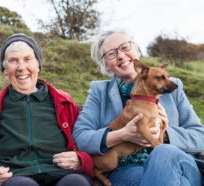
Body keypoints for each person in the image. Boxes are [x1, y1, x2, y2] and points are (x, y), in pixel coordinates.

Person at [73, 30, 204, 186]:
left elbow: (200, 136)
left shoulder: (172, 87)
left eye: (125, 47)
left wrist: (164, 133)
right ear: (106, 66)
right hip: (128, 169)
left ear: (137, 50)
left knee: (163, 152)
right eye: (111, 54)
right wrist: (122, 135)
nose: (121, 56)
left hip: (180, 162)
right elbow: (81, 137)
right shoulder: (99, 92)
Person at [0, 33, 93, 186]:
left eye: (28, 59)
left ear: (38, 65)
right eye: (13, 61)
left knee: (76, 183)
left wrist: (81, 159)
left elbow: (84, 142)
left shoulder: (64, 102)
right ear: (4, 68)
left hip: (61, 173)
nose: (21, 67)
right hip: (16, 176)